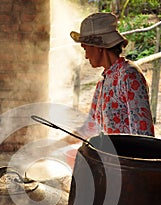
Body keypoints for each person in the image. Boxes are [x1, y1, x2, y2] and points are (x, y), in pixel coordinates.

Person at [65, 11, 155, 143]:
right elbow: (88, 129)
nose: (86, 56)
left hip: (125, 162)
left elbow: (143, 137)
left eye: (85, 48)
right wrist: (51, 147)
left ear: (99, 46)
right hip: (110, 161)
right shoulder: (103, 83)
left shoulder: (129, 76)